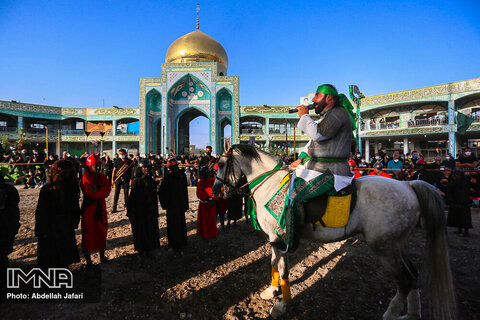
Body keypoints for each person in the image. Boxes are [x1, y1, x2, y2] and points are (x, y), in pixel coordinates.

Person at [35, 160, 81, 268]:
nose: (65, 172)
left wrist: (74, 221)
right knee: (50, 255)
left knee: (63, 256)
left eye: (67, 169)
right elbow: (41, 211)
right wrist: (42, 230)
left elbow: (75, 207)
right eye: (62, 169)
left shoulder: (72, 187)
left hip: (65, 225)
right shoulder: (48, 188)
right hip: (50, 226)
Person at [80, 153, 111, 266]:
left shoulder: (102, 176)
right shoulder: (86, 177)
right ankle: (88, 261)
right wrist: (100, 191)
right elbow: (91, 193)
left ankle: (102, 257)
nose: (98, 168)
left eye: (99, 165)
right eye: (95, 165)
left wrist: (99, 192)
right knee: (89, 232)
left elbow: (107, 190)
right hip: (89, 208)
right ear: (89, 166)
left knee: (102, 230)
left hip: (100, 207)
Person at [127, 160, 160, 256]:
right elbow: (132, 198)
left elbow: (154, 197)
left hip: (149, 210)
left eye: (147, 167)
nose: (146, 169)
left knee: (150, 229)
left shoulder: (151, 181)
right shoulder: (136, 181)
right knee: (141, 230)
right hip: (140, 211)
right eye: (143, 168)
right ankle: (142, 249)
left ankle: (150, 247)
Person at [158, 159, 189, 251]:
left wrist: (185, 204)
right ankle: (174, 244)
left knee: (181, 224)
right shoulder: (167, 178)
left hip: (179, 204)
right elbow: (161, 193)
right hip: (172, 206)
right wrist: (165, 205)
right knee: (173, 226)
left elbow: (184, 191)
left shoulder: (181, 176)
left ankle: (182, 242)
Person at [446, 170, 473, 237]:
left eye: (456, 175)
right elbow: (449, 193)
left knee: (464, 217)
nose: (454, 176)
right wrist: (451, 202)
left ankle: (466, 231)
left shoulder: (464, 183)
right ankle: (459, 229)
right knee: (456, 217)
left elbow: (464, 194)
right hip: (454, 202)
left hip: (463, 204)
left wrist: (460, 202)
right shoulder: (451, 183)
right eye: (453, 175)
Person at [196, 166, 218, 239]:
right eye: (203, 173)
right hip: (204, 204)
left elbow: (215, 190)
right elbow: (199, 194)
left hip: (211, 203)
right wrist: (207, 198)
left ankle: (212, 233)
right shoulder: (200, 183)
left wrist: (213, 198)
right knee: (204, 221)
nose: (204, 175)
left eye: (205, 173)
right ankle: (204, 233)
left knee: (211, 220)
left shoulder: (213, 181)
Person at [111, 149, 134, 213]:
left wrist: (131, 179)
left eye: (123, 154)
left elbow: (132, 171)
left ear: (125, 154)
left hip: (126, 179)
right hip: (118, 179)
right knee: (116, 194)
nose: (121, 155)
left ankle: (126, 206)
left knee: (126, 193)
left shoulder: (129, 161)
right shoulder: (117, 161)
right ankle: (114, 207)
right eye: (120, 154)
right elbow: (114, 170)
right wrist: (112, 179)